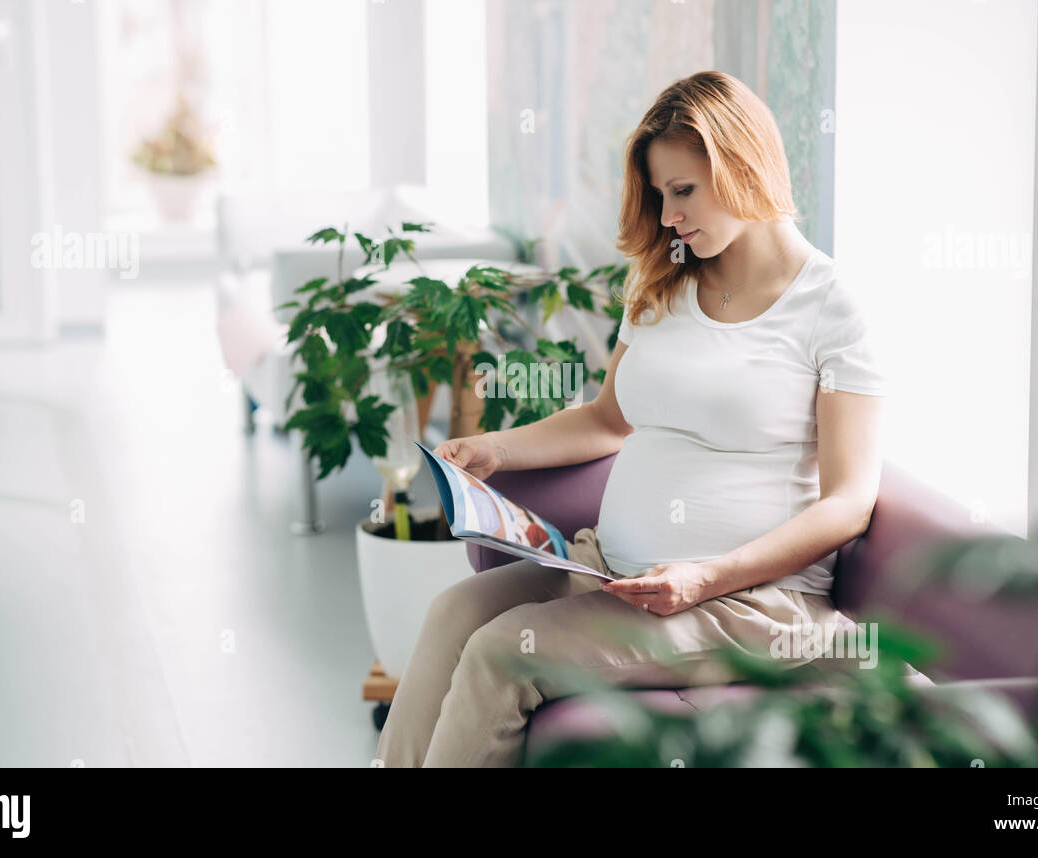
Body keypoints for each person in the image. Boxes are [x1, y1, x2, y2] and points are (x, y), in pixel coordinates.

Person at [376, 71, 888, 767]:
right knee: (451, 616)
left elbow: (849, 502)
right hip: (612, 571)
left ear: (742, 164)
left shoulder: (830, 309)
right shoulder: (667, 280)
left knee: (502, 657)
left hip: (748, 603)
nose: (670, 215)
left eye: (684, 191)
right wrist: (494, 449)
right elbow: (607, 419)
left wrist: (707, 576)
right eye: (660, 195)